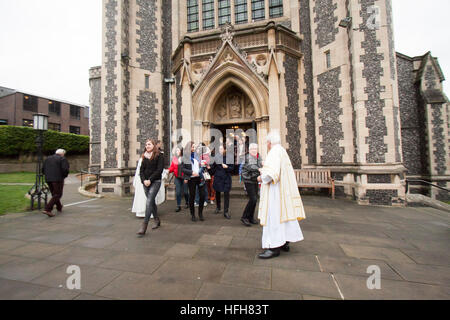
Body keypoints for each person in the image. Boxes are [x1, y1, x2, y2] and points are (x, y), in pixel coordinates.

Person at [257, 131, 306, 259]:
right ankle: (284, 242)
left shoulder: (273, 152)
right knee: (284, 217)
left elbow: (271, 174)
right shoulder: (282, 150)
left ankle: (274, 247)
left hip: (275, 193)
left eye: (266, 143)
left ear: (269, 143)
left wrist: (261, 177)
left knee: (274, 218)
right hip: (283, 191)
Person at [137, 139, 164, 237]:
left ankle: (144, 226)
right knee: (151, 202)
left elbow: (159, 170)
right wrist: (144, 180)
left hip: (155, 181)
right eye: (146, 144)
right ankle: (157, 220)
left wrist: (150, 180)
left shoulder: (159, 155)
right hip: (145, 183)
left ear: (153, 145)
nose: (147, 146)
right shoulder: (144, 156)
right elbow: (141, 171)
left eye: (149, 144)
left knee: (149, 201)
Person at [182, 141, 207, 222]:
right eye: (192, 147)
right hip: (191, 178)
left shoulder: (198, 155)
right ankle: (193, 214)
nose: (194, 148)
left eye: (194, 147)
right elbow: (182, 169)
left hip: (199, 177)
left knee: (202, 195)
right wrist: (191, 172)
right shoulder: (185, 157)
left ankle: (200, 213)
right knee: (192, 196)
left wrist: (203, 165)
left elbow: (201, 165)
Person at [42, 149, 70, 217]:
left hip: (48, 179)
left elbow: (43, 169)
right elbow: (65, 169)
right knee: (58, 194)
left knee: (54, 194)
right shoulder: (62, 159)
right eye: (64, 154)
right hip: (58, 179)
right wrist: (64, 176)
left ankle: (59, 207)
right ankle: (47, 209)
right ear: (62, 153)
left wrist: (47, 176)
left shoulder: (47, 159)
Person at [240, 143, 263, 227]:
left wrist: (261, 166)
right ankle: (244, 217)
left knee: (255, 199)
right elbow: (251, 166)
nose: (254, 150)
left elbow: (261, 163)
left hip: (255, 180)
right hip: (248, 180)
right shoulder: (247, 157)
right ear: (249, 150)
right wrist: (259, 168)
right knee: (252, 199)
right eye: (252, 149)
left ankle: (250, 217)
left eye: (255, 149)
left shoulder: (258, 156)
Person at [209, 144, 233, 219]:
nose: (220, 150)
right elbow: (213, 169)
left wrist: (227, 167)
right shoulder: (216, 157)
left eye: (221, 149)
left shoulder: (229, 157)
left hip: (226, 178)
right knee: (218, 192)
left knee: (226, 194)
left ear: (225, 149)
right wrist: (209, 168)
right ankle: (218, 207)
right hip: (218, 178)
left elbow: (232, 169)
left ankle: (226, 211)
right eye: (219, 149)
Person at [168, 146, 189, 212]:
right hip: (177, 177)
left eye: (178, 150)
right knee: (178, 192)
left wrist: (186, 178)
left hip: (184, 177)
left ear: (181, 151)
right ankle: (178, 206)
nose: (177, 152)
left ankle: (187, 202)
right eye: (176, 150)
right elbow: (172, 168)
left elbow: (188, 169)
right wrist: (167, 171)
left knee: (185, 192)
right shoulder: (174, 158)